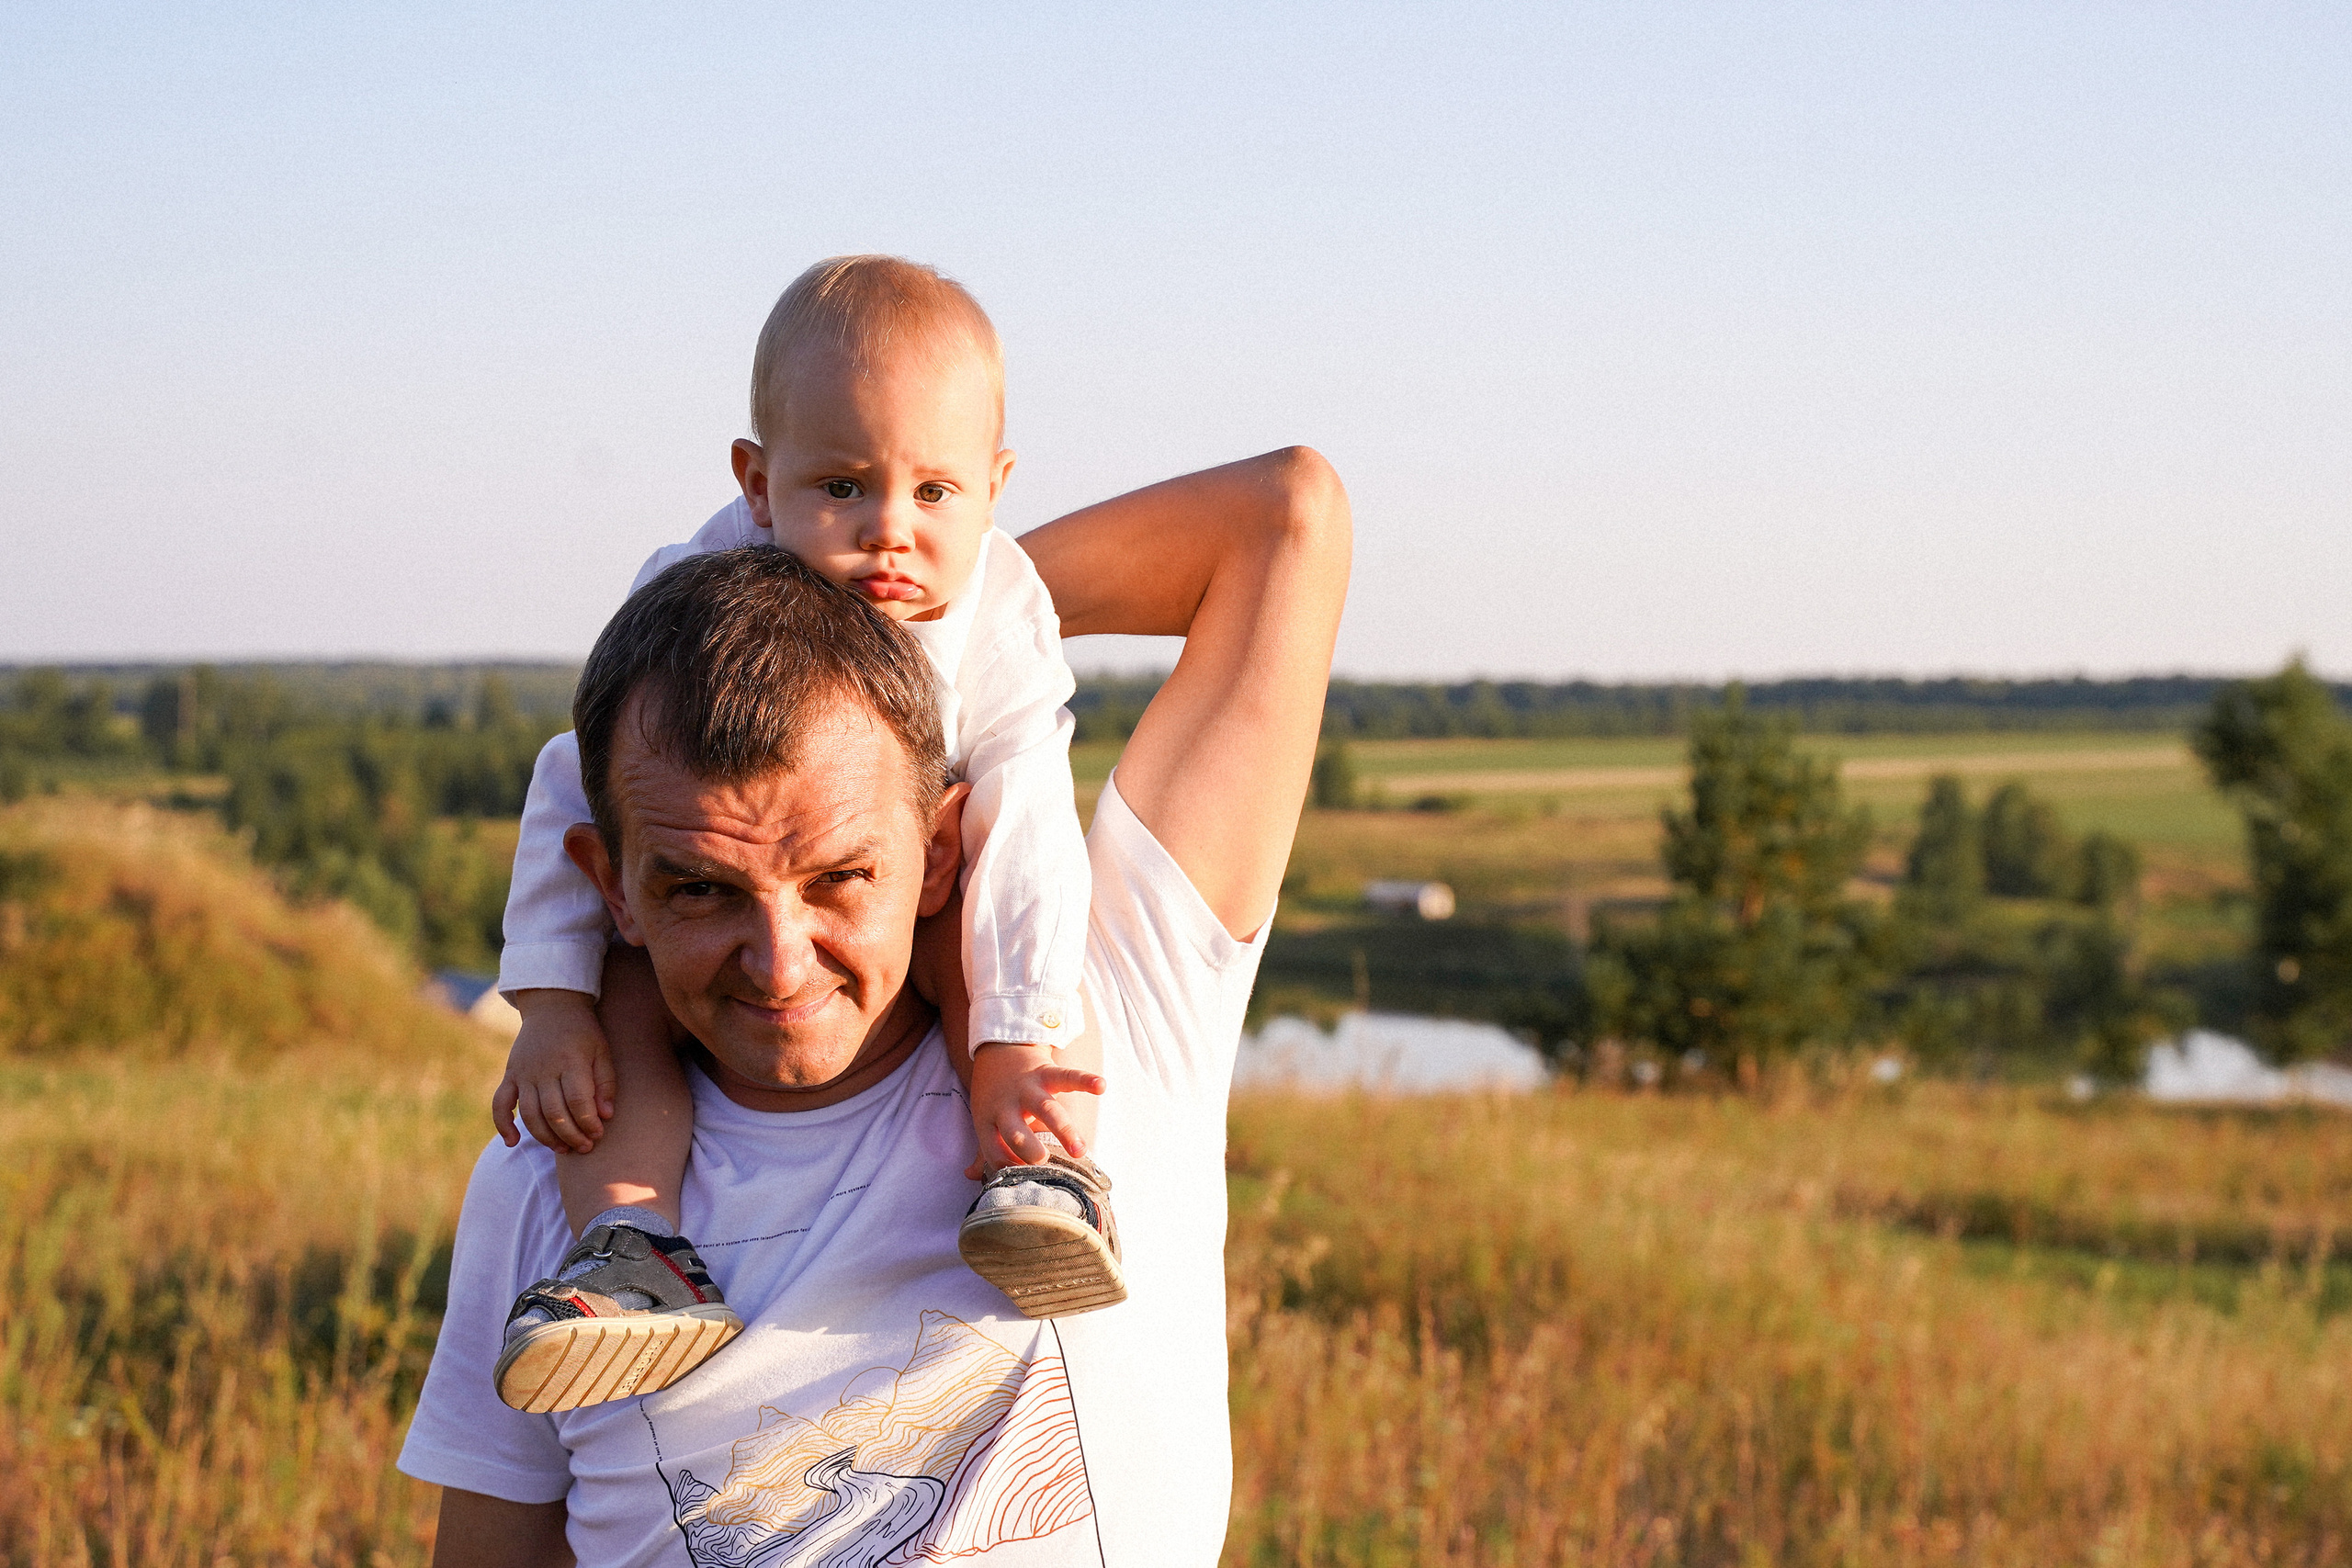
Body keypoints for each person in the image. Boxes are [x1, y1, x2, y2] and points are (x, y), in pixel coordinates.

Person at [399, 446, 1349, 1565]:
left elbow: (1285, 514)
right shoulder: (560, 1162)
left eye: (841, 878)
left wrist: (925, 612)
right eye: (701, 889)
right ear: (611, 886)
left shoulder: (1108, 998)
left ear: (942, 850)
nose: (779, 962)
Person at [490, 257, 1125, 1414]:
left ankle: (1031, 1167)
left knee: (968, 914)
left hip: (915, 894)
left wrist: (1019, 1036)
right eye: (841, 486)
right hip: (720, 901)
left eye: (936, 494)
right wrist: (547, 1001)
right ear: (756, 481)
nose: (890, 535)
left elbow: (1029, 817)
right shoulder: (698, 594)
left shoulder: (999, 612)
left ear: (997, 487)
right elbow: (574, 785)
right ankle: (629, 1249)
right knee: (625, 997)